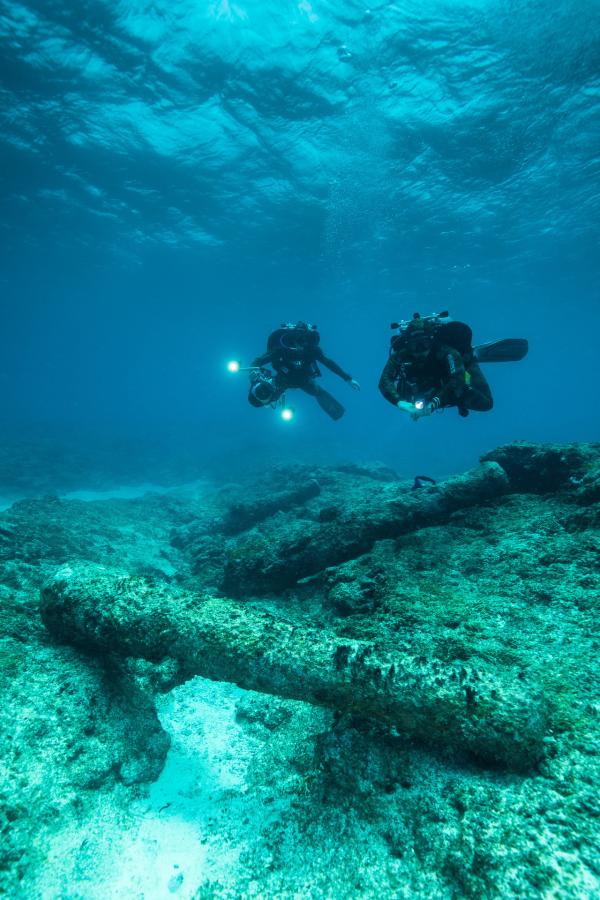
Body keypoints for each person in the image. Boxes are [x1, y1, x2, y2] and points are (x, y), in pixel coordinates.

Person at [378, 312, 494, 419]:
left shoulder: (446, 352)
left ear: (431, 342)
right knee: (406, 395)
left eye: (424, 344)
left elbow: (457, 379)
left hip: (449, 389)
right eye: (414, 345)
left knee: (486, 403)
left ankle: (470, 357)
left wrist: (434, 404)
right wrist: (400, 403)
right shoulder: (400, 356)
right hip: (428, 391)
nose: (420, 351)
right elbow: (384, 381)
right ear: (407, 345)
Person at [248, 321, 360, 420]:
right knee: (267, 391)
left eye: (304, 341)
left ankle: (268, 398)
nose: (301, 345)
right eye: (298, 340)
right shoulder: (282, 350)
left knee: (316, 391)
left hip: (303, 380)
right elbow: (259, 360)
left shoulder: (312, 350)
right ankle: (267, 399)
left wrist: (348, 378)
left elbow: (329, 363)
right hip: (287, 378)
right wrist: (253, 371)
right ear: (292, 338)